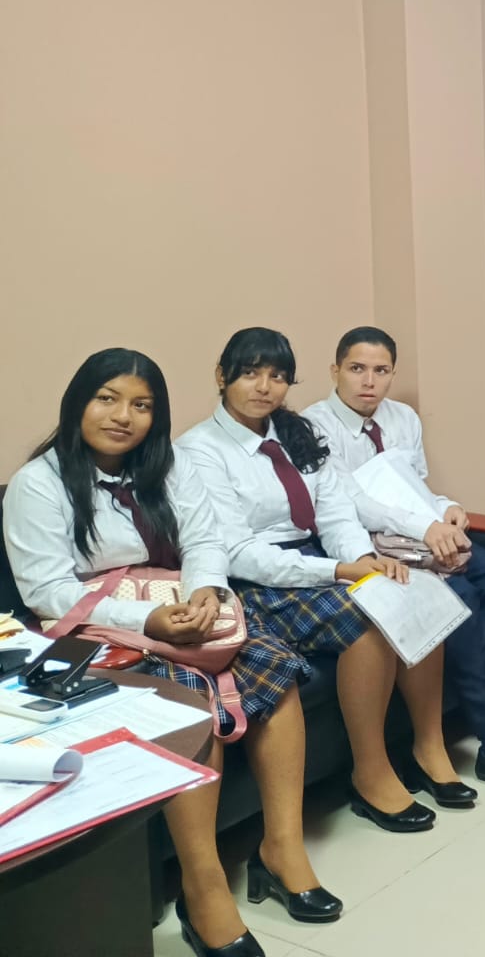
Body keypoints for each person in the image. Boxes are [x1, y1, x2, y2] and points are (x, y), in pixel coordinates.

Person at [3, 350, 338, 957]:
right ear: (78, 403)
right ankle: (202, 887)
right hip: (91, 627)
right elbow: (47, 590)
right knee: (185, 701)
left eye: (141, 405)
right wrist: (146, 620)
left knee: (273, 667)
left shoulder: (169, 465)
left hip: (174, 600)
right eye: (107, 399)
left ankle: (281, 848)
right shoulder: (39, 484)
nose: (123, 416)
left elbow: (205, 539)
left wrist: (206, 591)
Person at [175, 327, 458, 836]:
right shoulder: (199, 450)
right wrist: (341, 571)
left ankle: (429, 745)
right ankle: (370, 772)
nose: (264, 387)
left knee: (414, 590)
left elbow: (335, 512)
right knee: (367, 620)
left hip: (322, 558)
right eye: (250, 373)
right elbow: (236, 552)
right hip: (258, 579)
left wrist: (364, 558)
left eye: (277, 376)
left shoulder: (297, 431)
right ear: (222, 376)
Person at [301, 326, 485, 790]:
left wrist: (447, 509)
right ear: (335, 371)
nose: (368, 381)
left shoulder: (403, 418)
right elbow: (351, 502)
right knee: (461, 599)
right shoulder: (314, 426)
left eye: (380, 370)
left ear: (393, 374)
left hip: (426, 535)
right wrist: (425, 528)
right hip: (372, 547)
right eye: (356, 369)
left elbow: (415, 485)